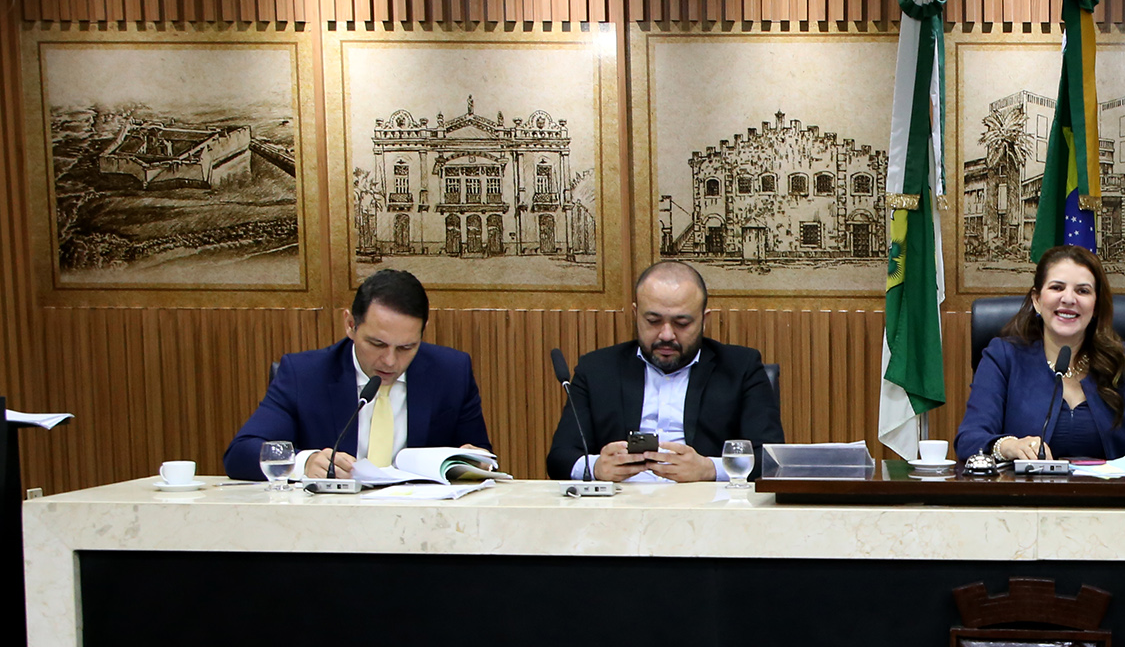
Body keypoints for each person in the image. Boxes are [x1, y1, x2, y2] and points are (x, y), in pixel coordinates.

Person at [224, 269, 489, 481]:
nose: (390, 361)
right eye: (377, 344)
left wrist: (476, 461)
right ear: (351, 325)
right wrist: (305, 462)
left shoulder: (451, 372)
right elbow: (241, 453)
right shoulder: (304, 375)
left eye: (406, 347)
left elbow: (479, 457)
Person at [547, 260, 784, 483]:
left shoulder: (741, 368)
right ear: (635, 315)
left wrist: (709, 469)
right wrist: (596, 467)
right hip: (620, 503)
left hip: (705, 503)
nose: (667, 335)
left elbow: (770, 458)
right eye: (653, 321)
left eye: (682, 323)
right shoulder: (597, 369)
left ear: (704, 320)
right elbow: (560, 457)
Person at [956, 245, 1125, 462]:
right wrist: (1008, 446)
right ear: (1037, 300)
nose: (1069, 299)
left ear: (1096, 305)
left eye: (1082, 291)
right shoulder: (1004, 357)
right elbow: (969, 439)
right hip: (1026, 495)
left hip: (1113, 495)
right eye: (1057, 288)